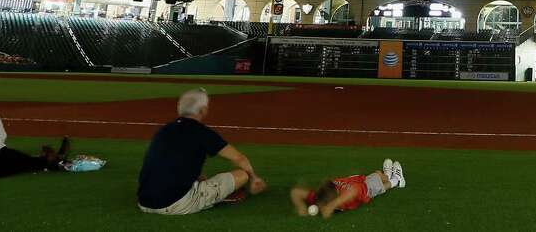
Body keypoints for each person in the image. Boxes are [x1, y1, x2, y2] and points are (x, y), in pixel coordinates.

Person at [137, 88, 267, 215]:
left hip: (144, 202)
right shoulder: (202, 132)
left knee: (194, 174)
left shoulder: (163, 130)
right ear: (203, 110)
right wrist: (254, 178)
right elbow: (239, 158)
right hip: (175, 204)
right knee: (242, 175)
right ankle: (215, 197)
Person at [289, 159, 405, 218]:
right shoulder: (319, 197)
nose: (319, 206)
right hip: (359, 186)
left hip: (360, 186)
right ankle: (396, 181)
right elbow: (295, 192)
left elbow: (353, 191)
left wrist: (331, 206)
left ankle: (392, 178)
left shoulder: (344, 197)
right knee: (379, 182)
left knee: (379, 179)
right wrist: (301, 208)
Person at [0, 103, 69, 179]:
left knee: (20, 161)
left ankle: (47, 160)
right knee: (22, 161)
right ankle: (53, 161)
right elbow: (1, 134)